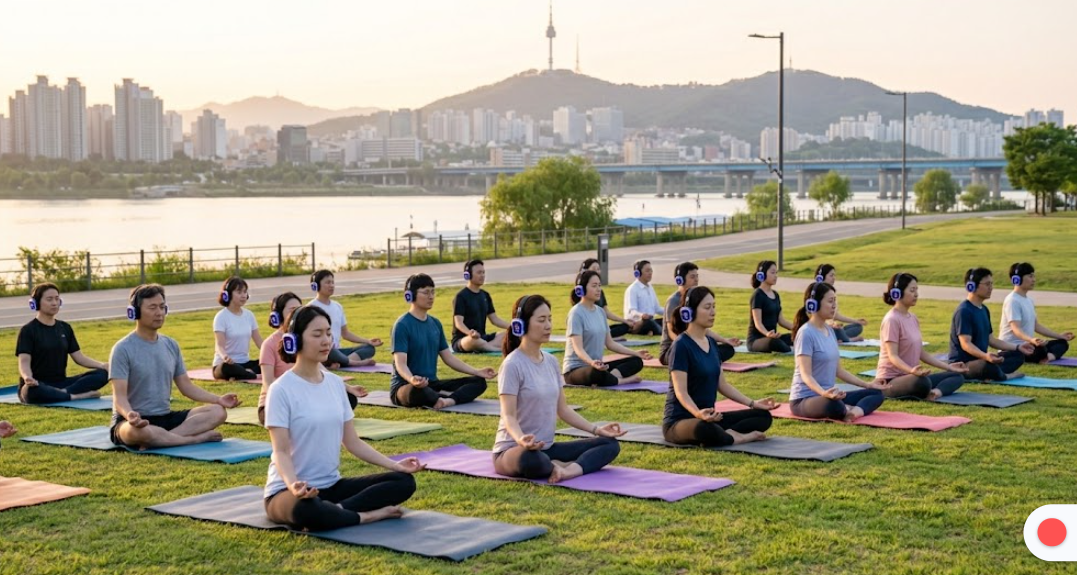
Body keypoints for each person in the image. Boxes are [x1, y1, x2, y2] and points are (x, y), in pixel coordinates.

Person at [264, 305, 423, 532]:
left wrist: (395, 464)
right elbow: (279, 451)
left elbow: (352, 442)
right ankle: (365, 516)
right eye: (317, 335)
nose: (326, 340)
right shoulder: (281, 389)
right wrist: (293, 485)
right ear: (294, 340)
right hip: (288, 492)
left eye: (328, 333)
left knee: (403, 482)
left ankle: (333, 512)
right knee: (306, 509)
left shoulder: (336, 384)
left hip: (330, 486)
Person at [493, 294, 626, 483]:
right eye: (541, 320)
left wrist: (597, 430)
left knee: (610, 444)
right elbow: (509, 416)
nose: (548, 325)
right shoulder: (512, 364)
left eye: (550, 319)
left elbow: (562, 409)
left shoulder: (551, 362)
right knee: (532, 460)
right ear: (520, 325)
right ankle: (553, 463)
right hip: (513, 450)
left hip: (546, 447)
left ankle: (569, 470)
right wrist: (522, 439)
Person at [110, 284, 241, 449]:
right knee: (139, 432)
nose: (159, 313)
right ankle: (192, 439)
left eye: (162, 307)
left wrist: (218, 399)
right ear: (134, 312)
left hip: (166, 418)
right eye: (152, 307)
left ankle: (162, 439)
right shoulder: (122, 349)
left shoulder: (171, 345)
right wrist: (130, 415)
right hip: (131, 422)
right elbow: (119, 397)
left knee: (218, 412)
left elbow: (186, 386)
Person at [663, 286, 776, 446]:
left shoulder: (711, 343)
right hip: (681, 420)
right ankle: (738, 437)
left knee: (762, 416)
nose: (713, 312)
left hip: (710, 417)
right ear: (689, 312)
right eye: (707, 307)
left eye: (714, 307)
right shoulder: (681, 345)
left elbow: (722, 385)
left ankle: (722, 433)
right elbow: (681, 392)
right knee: (704, 428)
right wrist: (698, 413)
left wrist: (753, 403)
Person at [257, 293, 367, 425]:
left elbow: (322, 372)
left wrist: (348, 388)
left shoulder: (309, 346)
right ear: (278, 315)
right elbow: (268, 383)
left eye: (300, 309)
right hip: (274, 403)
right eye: (293, 310)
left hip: (306, 395)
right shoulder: (269, 345)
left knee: (348, 398)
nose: (298, 313)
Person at [390, 274, 496, 409]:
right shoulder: (402, 325)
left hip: (431, 384)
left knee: (479, 382)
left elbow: (449, 358)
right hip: (406, 386)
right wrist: (412, 379)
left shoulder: (435, 323)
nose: (431, 296)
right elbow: (400, 364)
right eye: (426, 292)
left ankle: (447, 401)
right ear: (409, 296)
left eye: (433, 292)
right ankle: (441, 397)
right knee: (417, 392)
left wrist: (477, 371)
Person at [788, 282, 889, 421]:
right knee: (832, 405)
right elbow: (806, 375)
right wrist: (824, 393)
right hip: (805, 399)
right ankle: (846, 408)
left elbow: (839, 371)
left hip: (831, 395)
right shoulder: (805, 333)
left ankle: (854, 412)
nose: (834, 305)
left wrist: (868, 384)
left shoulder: (829, 330)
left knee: (876, 393)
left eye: (835, 300)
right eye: (830, 301)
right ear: (813, 304)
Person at [876, 273, 968, 400]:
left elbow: (921, 353)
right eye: (912, 290)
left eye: (916, 290)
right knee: (921, 382)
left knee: (956, 376)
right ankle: (926, 389)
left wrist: (949, 367)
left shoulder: (913, 318)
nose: (916, 294)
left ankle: (935, 393)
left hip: (914, 375)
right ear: (897, 293)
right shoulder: (891, 320)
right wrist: (911, 371)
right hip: (891, 380)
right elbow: (893, 356)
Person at [16, 282, 109, 404]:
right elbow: (24, 361)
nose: (54, 303)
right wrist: (27, 377)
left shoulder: (65, 328)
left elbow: (79, 358)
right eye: (49, 299)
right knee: (30, 391)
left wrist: (103, 365)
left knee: (104, 374)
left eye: (57, 299)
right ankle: (76, 396)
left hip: (62, 383)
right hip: (38, 384)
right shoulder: (28, 330)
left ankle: (62, 393)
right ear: (35, 303)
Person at [564, 270, 653, 386]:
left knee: (636, 362)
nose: (598, 289)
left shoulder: (600, 312)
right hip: (576, 370)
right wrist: (592, 362)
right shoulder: (576, 313)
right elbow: (578, 349)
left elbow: (610, 343)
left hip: (598, 366)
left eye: (599, 286)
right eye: (594, 286)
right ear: (581, 289)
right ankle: (622, 381)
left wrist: (635, 353)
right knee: (595, 372)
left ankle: (609, 377)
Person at [949, 268, 1035, 381]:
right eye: (987, 284)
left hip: (983, 359)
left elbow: (991, 340)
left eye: (991, 284)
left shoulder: (984, 309)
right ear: (971, 286)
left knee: (1017, 356)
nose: (991, 287)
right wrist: (985, 356)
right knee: (986, 366)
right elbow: (966, 344)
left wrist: (1018, 347)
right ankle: (1001, 375)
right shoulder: (964, 311)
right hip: (964, 365)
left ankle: (993, 373)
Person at [659, 262, 740, 365]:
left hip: (692, 343)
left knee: (727, 349)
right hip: (672, 349)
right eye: (692, 277)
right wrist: (686, 345)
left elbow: (704, 330)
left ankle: (700, 359)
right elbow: (671, 331)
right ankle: (700, 359)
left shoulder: (694, 299)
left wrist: (725, 340)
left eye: (697, 276)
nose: (696, 280)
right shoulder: (674, 301)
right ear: (680, 280)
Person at [1000, 262, 1073, 364]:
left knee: (1062, 343)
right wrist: (1032, 340)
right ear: (1016, 279)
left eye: (1034, 276)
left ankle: (1048, 357)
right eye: (1030, 276)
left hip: (1029, 345)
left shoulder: (1029, 300)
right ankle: (1045, 355)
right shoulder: (1012, 300)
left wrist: (1060, 336)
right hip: (1014, 348)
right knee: (1040, 349)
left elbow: (1036, 326)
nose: (1033, 279)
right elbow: (1016, 329)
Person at [308, 269, 381, 368]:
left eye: (333, 282)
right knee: (331, 352)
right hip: (324, 351)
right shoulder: (310, 308)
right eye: (328, 282)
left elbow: (345, 334)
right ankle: (357, 363)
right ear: (315, 286)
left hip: (338, 352)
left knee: (369, 348)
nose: (331, 285)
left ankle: (342, 362)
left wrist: (367, 341)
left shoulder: (337, 306)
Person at [212, 276, 265, 381]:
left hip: (244, 363)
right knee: (227, 368)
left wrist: (272, 355)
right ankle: (253, 375)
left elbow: (259, 341)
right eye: (239, 292)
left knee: (266, 363)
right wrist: (225, 357)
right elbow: (219, 346)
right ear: (227, 294)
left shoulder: (249, 315)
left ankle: (243, 374)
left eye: (245, 292)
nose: (243, 296)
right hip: (226, 364)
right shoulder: (221, 317)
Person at [451, 259, 510, 353]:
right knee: (474, 341)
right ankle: (495, 349)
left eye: (483, 272)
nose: (482, 275)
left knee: (510, 335)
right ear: (468, 275)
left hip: (482, 337)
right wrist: (470, 333)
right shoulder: (461, 296)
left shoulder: (485, 295)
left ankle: (485, 347)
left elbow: (495, 319)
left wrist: (512, 327)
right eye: (479, 272)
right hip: (464, 339)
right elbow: (459, 323)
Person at [579, 258, 637, 338]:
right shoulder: (578, 309)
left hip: (600, 328)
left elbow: (606, 312)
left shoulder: (599, 296)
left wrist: (625, 321)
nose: (597, 271)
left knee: (623, 327)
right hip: (589, 330)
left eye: (598, 269)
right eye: (594, 269)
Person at [746, 260, 794, 353]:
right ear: (761, 275)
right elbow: (758, 323)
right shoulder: (757, 295)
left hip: (773, 337)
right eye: (772, 273)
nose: (775, 276)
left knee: (795, 337)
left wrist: (798, 329)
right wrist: (767, 334)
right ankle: (788, 349)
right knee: (775, 343)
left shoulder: (776, 295)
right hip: (756, 340)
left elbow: (781, 321)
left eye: (776, 273)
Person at [814, 264, 868, 342]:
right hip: (821, 328)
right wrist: (830, 325)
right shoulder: (816, 293)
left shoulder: (832, 292)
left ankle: (839, 337)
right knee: (837, 331)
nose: (834, 278)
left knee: (858, 326)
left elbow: (836, 315)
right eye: (831, 275)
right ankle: (849, 339)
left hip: (832, 327)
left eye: (834, 275)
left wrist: (856, 321)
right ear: (821, 277)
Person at [622, 260, 663, 335]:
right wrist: (642, 315)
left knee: (667, 320)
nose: (650, 273)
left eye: (651, 270)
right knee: (649, 322)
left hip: (651, 320)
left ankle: (652, 331)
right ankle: (658, 331)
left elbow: (657, 309)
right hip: (638, 323)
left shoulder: (650, 287)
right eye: (647, 271)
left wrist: (671, 312)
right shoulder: (632, 289)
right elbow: (632, 312)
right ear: (638, 273)